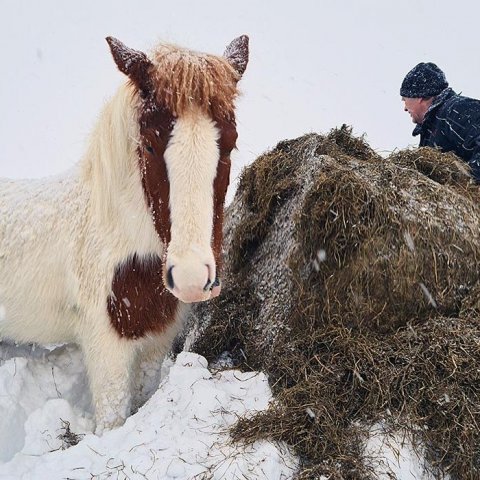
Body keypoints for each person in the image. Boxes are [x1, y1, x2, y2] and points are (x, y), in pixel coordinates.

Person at [400, 62, 480, 181]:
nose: (405, 108)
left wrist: (466, 184)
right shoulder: (431, 127)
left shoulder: (456, 110)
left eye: (404, 99)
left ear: (419, 97)